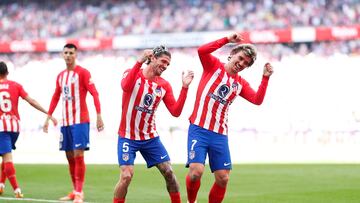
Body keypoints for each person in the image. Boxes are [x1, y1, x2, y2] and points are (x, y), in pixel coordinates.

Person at [185, 32, 274, 203]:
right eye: (240, 58)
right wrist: (226, 40)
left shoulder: (240, 83)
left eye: (245, 63)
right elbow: (202, 51)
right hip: (199, 128)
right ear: (232, 54)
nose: (241, 64)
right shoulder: (213, 66)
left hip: (219, 134)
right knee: (196, 172)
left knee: (223, 178)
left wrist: (265, 78)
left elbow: (257, 100)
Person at [113, 45, 194, 203]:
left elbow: (175, 112)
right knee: (126, 176)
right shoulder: (132, 73)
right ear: (153, 58)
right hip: (128, 137)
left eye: (168, 64)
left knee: (169, 172)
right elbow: (125, 86)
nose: (165, 66)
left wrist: (184, 88)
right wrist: (139, 61)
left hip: (150, 138)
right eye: (163, 61)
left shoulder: (164, 85)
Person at [43, 44, 104, 203]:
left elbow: (94, 93)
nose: (68, 55)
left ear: (76, 55)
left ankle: (79, 192)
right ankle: (74, 190)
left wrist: (99, 115)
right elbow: (56, 96)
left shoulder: (83, 73)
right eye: (66, 53)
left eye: (71, 52)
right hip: (66, 122)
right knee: (69, 156)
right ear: (62, 55)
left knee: (78, 154)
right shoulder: (61, 76)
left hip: (80, 121)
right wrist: (48, 116)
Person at [0, 61, 57, 198]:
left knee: (7, 157)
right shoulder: (16, 85)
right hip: (15, 127)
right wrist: (48, 113)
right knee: (5, 154)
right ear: (7, 73)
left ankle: (16, 190)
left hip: (1, 126)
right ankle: (1, 184)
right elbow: (31, 101)